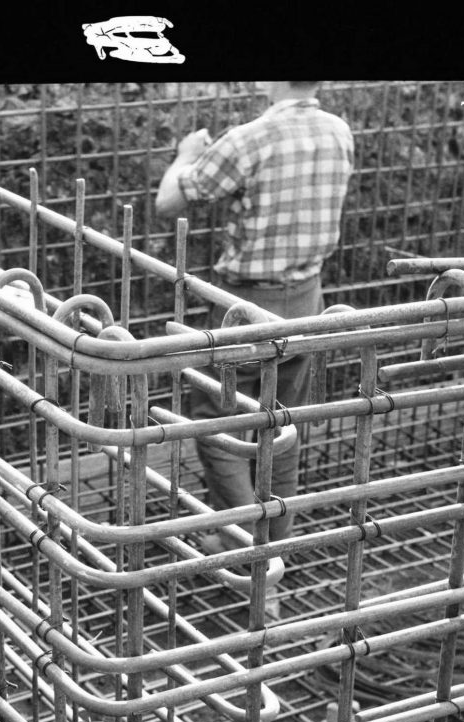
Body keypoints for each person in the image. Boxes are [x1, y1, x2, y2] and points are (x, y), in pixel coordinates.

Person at [156, 81, 354, 546]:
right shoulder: (337, 131)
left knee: (217, 423)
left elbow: (168, 202)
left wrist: (186, 154)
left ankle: (247, 550)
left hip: (243, 306)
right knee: (280, 423)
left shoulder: (248, 139)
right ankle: (274, 546)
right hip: (307, 298)